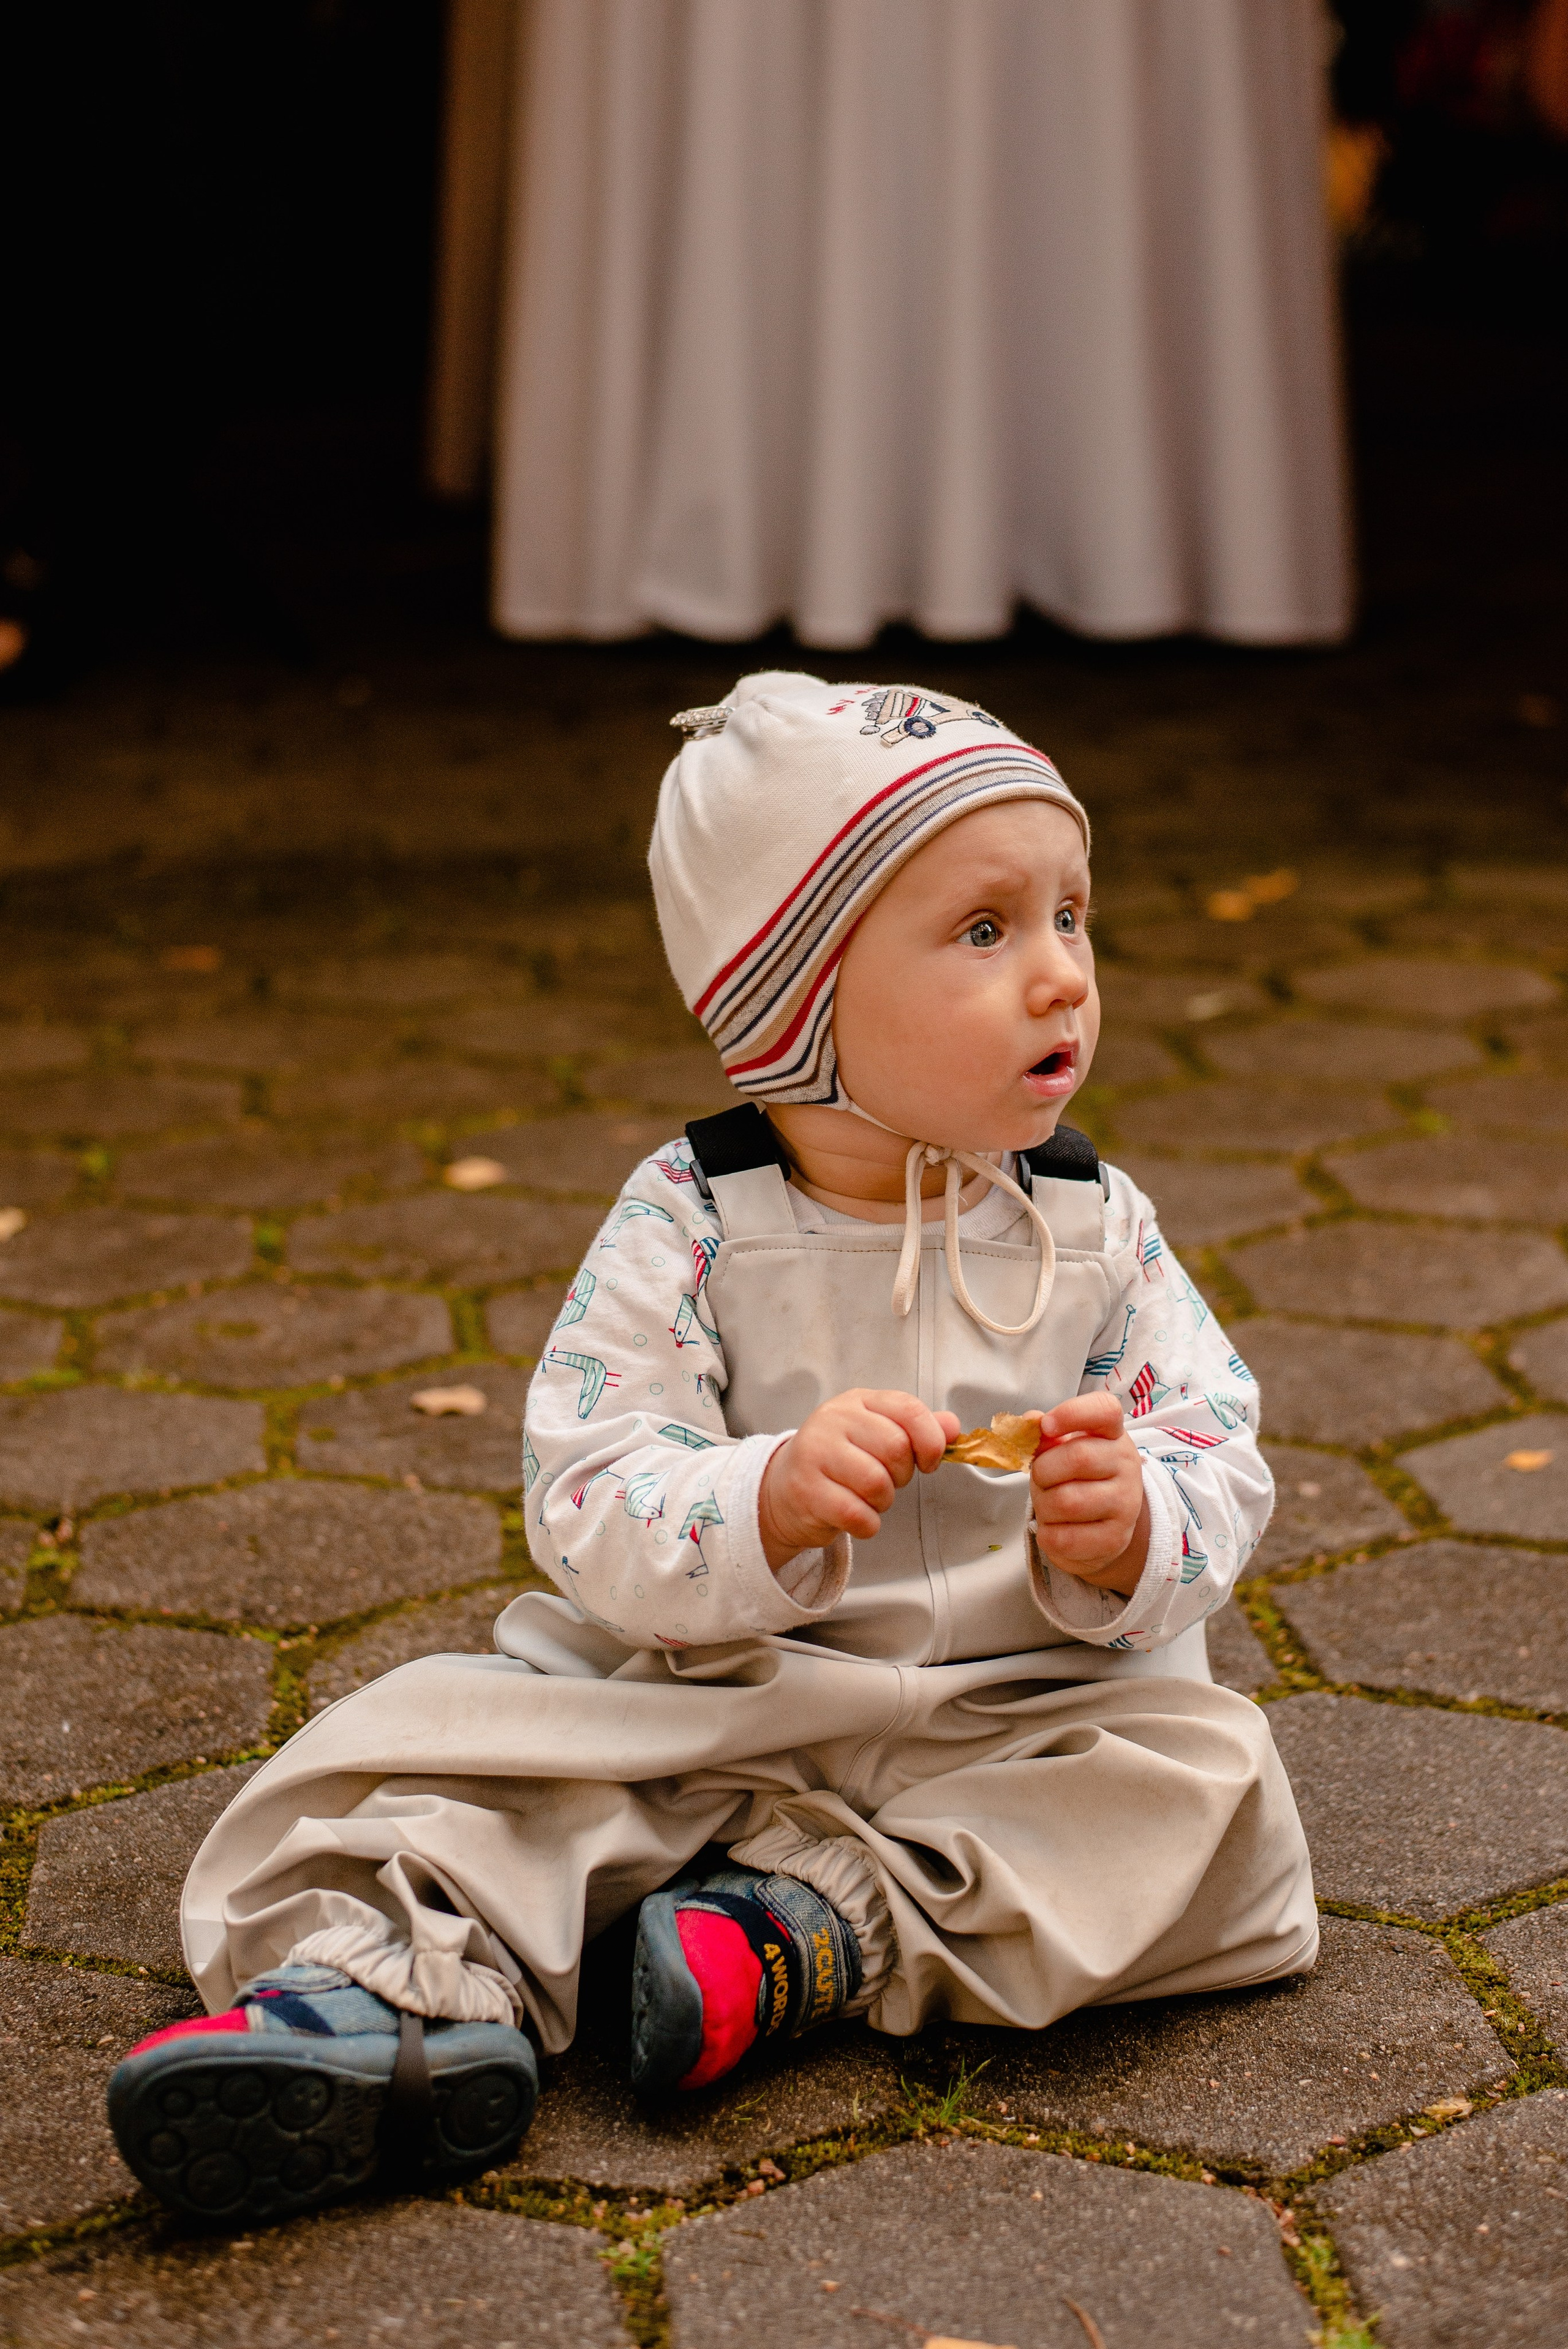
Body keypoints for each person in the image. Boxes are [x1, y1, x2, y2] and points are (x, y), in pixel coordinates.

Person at [107, 671, 1316, 2228]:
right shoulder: (690, 1216)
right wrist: (759, 1499)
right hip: (710, 1698)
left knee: (1207, 1789)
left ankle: (812, 1930)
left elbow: (1216, 1433)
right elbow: (586, 1477)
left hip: (1017, 1717)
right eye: (983, 931)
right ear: (795, 996)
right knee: (423, 1775)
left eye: (1071, 916)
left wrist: (1138, 1524)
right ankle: (381, 2006)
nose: (1060, 979)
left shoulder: (1094, 1223)